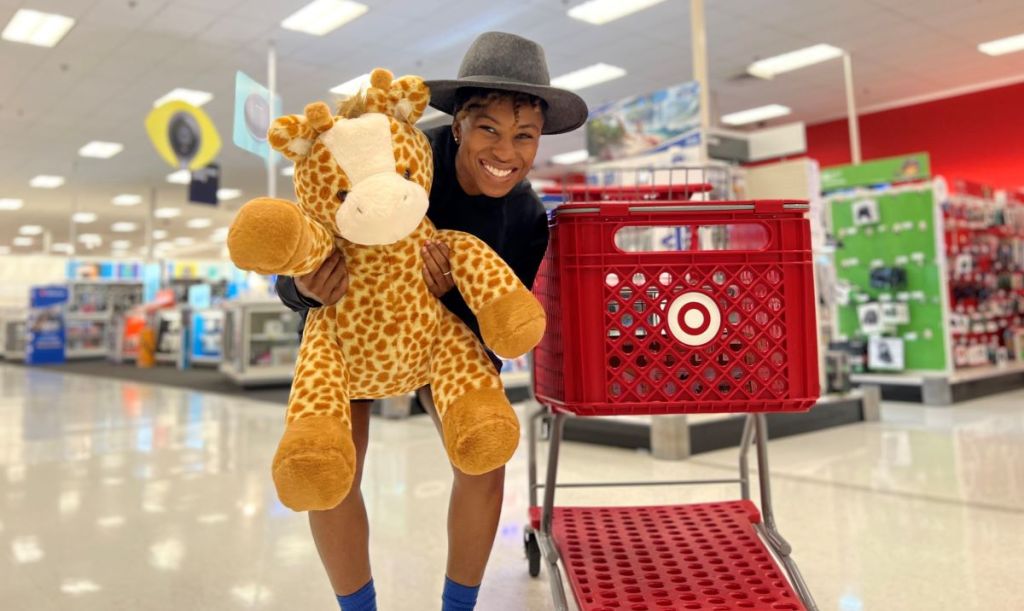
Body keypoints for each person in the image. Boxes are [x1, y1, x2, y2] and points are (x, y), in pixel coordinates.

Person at [275, 32, 588, 611]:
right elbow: (306, 236)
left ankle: (458, 606)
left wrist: (450, 296)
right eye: (489, 128)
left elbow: (499, 318)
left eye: (526, 136)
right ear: (459, 125)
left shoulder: (524, 216)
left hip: (445, 344)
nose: (507, 152)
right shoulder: (397, 151)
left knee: (484, 457)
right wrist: (300, 287)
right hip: (351, 332)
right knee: (332, 465)